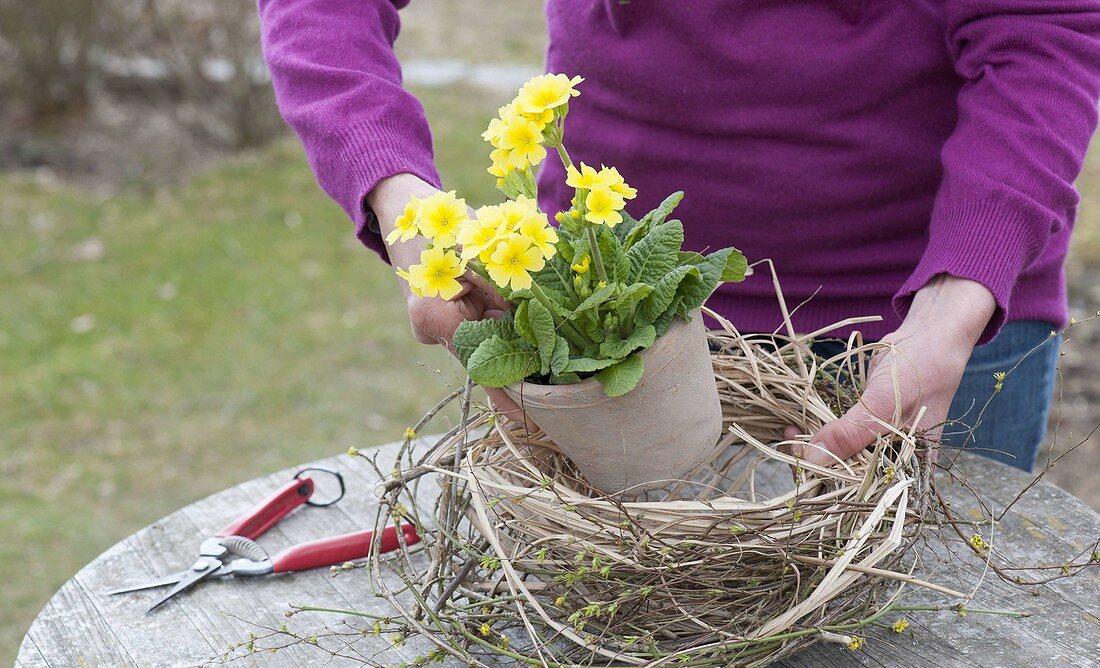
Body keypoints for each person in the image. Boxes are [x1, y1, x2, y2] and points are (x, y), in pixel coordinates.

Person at [257, 1, 1100, 472]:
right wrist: (401, 202)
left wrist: (958, 300)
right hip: (615, 328)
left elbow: (1044, 30)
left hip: (936, 321)